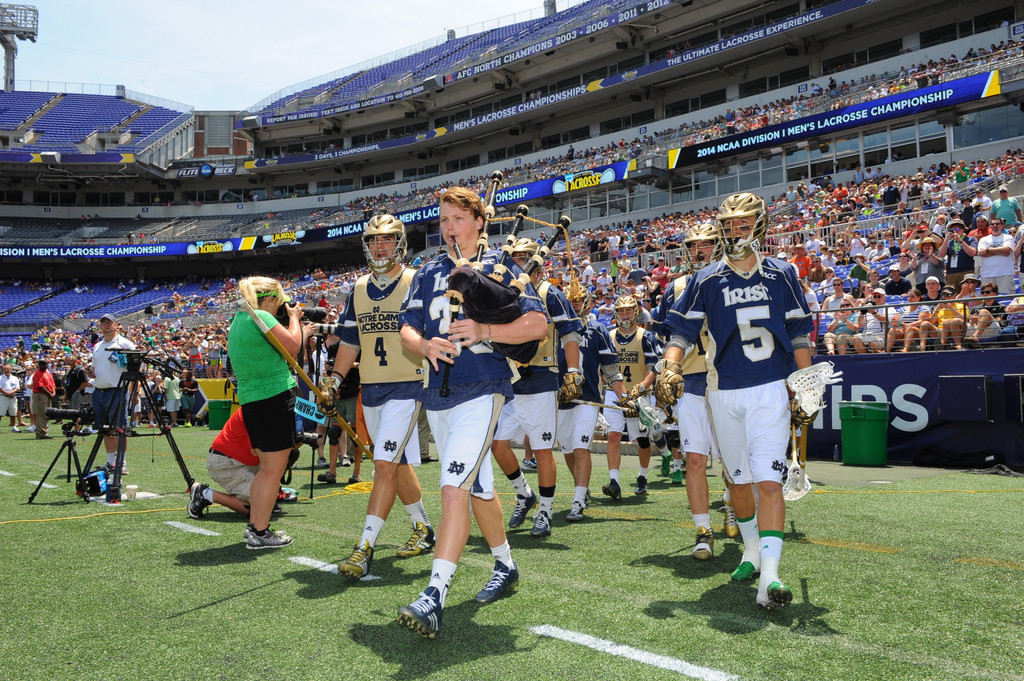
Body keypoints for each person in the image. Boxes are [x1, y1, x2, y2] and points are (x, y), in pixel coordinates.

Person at [397, 186, 547, 638]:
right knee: (478, 487)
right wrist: (423, 344)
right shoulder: (427, 273)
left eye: (457, 219)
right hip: (437, 395)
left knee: (451, 487)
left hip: (484, 390)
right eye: (443, 220)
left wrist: (485, 327)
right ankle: (505, 565)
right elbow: (406, 329)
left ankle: (434, 594)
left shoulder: (501, 268)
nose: (448, 228)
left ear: (480, 221)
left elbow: (538, 325)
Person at [662, 192, 813, 609]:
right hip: (723, 390)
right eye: (730, 225)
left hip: (770, 388)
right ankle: (750, 551)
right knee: (738, 482)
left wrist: (804, 384)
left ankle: (771, 577)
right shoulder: (706, 277)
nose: (736, 232)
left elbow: (799, 334)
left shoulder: (782, 273)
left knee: (768, 481)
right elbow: (682, 331)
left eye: (744, 223)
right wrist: (671, 365)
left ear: (759, 225)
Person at [328, 215, 436, 579]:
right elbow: (349, 342)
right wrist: (334, 378)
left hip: (408, 383)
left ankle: (364, 547)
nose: (380, 246)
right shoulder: (358, 287)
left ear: (400, 243)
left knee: (384, 464)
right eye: (374, 240)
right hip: (371, 388)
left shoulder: (416, 280)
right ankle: (423, 528)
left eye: (387, 240)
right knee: (397, 463)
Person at [654, 223, 738, 561]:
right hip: (690, 380)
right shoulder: (675, 287)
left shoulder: (732, 277)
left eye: (704, 245)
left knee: (734, 459)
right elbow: (664, 331)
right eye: (693, 246)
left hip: (728, 378)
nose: (698, 251)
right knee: (695, 459)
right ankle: (703, 531)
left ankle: (733, 506)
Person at [489, 237, 582, 538]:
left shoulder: (548, 292)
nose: (520, 263)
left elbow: (570, 334)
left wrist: (574, 372)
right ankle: (523, 493)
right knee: (497, 444)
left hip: (541, 378)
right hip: (511, 381)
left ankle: (545, 511)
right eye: (516, 257)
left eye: (525, 257)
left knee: (542, 450)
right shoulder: (505, 292)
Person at [228, 276, 305, 549]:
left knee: (266, 470)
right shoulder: (260, 316)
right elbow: (293, 347)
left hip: (253, 401)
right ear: (271, 298)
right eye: (279, 303)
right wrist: (295, 319)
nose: (280, 308)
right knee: (273, 471)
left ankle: (257, 528)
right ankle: (260, 532)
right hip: (273, 398)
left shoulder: (238, 320)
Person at [554, 285, 626, 523]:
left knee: (581, 446)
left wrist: (624, 398)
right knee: (567, 449)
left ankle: (577, 501)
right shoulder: (554, 329)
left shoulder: (598, 330)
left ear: (588, 301)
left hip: (588, 397)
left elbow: (611, 370)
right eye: (571, 300)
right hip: (561, 398)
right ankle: (581, 491)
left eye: (579, 300)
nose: (575, 304)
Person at [601, 295, 661, 498]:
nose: (626, 314)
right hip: (614, 394)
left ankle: (643, 475)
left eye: (629, 310)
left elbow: (655, 366)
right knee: (614, 435)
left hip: (640, 395)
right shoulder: (608, 336)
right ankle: (614, 481)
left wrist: (643, 387)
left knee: (643, 440)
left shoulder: (646, 336)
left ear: (635, 311)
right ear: (616, 313)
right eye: (622, 310)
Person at [187, 408, 264, 519]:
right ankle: (205, 494)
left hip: (241, 461)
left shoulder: (262, 406)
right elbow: (261, 451)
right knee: (263, 506)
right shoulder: (257, 411)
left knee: (268, 499)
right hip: (227, 463)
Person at [90, 313, 136, 469]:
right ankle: (111, 462)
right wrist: (91, 372)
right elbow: (95, 367)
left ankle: (122, 463)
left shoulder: (126, 344)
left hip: (117, 391)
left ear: (116, 325)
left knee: (120, 428)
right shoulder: (97, 346)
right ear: (100, 326)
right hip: (99, 391)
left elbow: (134, 370)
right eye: (103, 322)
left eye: (109, 322)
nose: (106, 325)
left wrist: (135, 391)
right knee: (105, 429)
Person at [976, 218, 1016, 299]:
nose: (995, 225)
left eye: (997, 224)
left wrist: (987, 250)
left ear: (1002, 225)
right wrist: (1000, 250)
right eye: (993, 224)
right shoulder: (984, 239)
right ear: (990, 226)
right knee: (988, 301)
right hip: (987, 275)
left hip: (1005, 274)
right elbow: (981, 253)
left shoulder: (1008, 237)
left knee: (1006, 300)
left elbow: (1007, 251)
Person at [938, 219, 977, 293]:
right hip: (951, 273)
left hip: (966, 272)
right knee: (952, 295)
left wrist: (961, 241)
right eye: (953, 229)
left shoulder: (971, 239)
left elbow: (972, 253)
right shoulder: (950, 242)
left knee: (967, 294)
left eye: (958, 228)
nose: (955, 231)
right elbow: (941, 254)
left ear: (963, 229)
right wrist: (946, 240)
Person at [30, 359, 56, 439]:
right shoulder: (37, 374)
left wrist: (53, 392)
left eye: (44, 364)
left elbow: (52, 384)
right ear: (38, 365)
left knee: (46, 414)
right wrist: (49, 393)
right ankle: (41, 433)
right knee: (41, 414)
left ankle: (44, 432)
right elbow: (39, 386)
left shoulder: (47, 373)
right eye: (41, 364)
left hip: (48, 394)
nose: (43, 366)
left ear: (47, 365)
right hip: (40, 394)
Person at [0, 365, 21, 432]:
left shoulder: (15, 378)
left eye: (8, 369)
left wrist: (11, 393)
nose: (6, 370)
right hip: (3, 397)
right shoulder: (0, 378)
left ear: (11, 370)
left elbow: (18, 387)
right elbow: (0, 388)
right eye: (5, 369)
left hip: (13, 397)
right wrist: (7, 393)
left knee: (13, 412)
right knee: (0, 413)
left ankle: (13, 426)